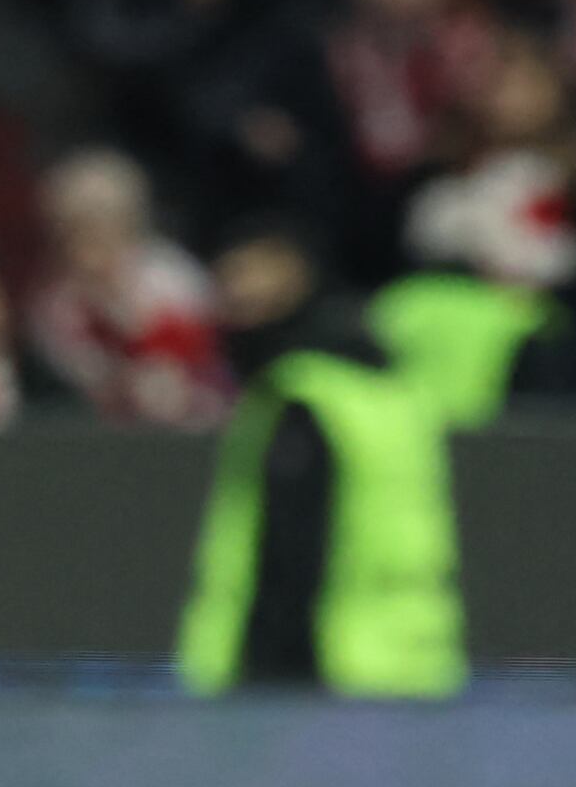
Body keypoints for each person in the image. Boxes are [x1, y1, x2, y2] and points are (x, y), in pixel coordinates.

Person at [171, 229, 468, 697]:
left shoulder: (301, 396)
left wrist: (261, 666)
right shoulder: (387, 391)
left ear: (297, 276)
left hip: (317, 669)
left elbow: (291, 548)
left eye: (250, 272)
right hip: (401, 664)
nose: (234, 290)